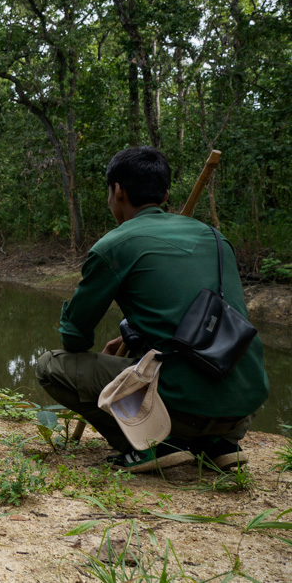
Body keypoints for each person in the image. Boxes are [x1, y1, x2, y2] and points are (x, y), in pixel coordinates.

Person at [35, 146, 269, 472]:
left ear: (118, 191)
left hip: (180, 406)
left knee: (50, 366)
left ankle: (152, 443)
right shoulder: (216, 238)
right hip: (242, 404)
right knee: (189, 377)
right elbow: (204, 320)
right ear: (166, 192)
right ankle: (220, 444)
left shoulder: (116, 244)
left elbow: (75, 338)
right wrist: (135, 334)